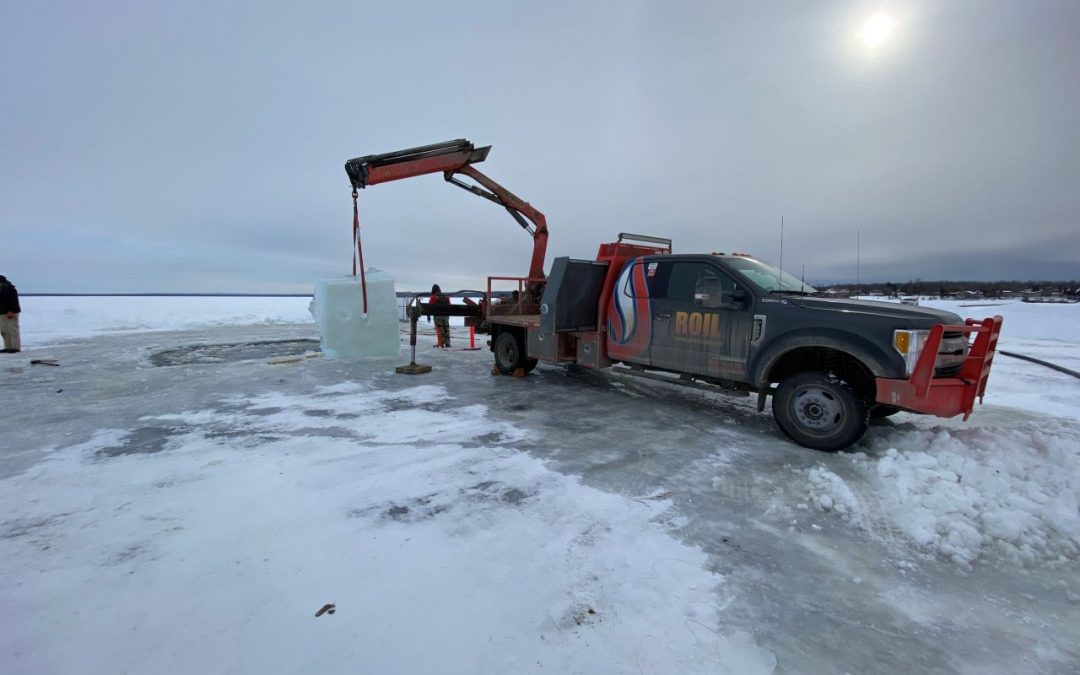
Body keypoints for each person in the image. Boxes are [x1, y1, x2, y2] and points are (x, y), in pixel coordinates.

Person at [0, 274, 21, 354]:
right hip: (2, 314)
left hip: (10, 313)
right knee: (4, 331)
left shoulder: (9, 289)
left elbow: (14, 301)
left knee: (12, 331)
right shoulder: (1, 289)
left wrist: (12, 311)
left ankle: (15, 347)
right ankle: (8, 347)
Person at [428, 284, 452, 348]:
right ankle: (447, 343)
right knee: (446, 329)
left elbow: (429, 307)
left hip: (438, 317)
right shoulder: (446, 296)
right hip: (446, 316)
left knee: (439, 329)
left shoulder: (433, 297)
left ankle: (441, 343)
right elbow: (449, 305)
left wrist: (428, 316)